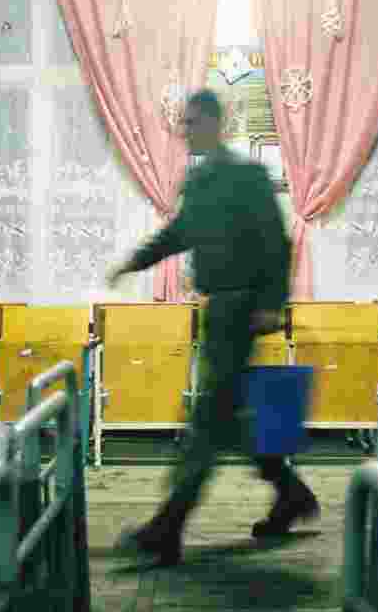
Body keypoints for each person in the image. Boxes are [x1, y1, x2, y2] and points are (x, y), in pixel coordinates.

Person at [105, 88, 319, 566]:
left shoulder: (248, 176)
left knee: (207, 423)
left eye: (194, 123)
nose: (186, 132)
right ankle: (291, 494)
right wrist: (135, 262)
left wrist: (271, 303)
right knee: (232, 421)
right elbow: (180, 233)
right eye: (184, 124)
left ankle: (168, 527)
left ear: (217, 124)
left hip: (240, 313)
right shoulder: (199, 181)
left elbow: (277, 243)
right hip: (218, 311)